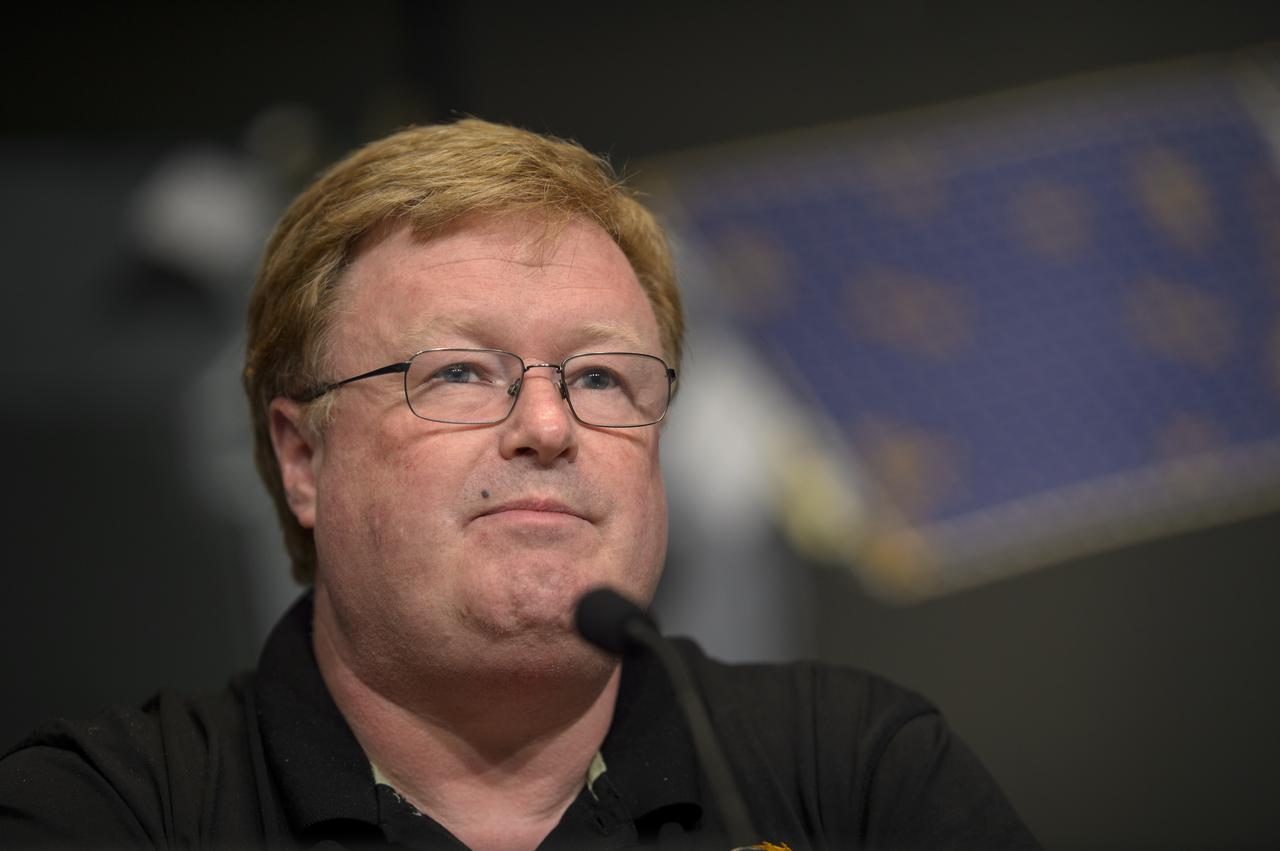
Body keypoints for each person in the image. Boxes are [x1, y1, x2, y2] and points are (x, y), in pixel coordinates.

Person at [0, 118, 1039, 850]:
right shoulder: (110, 813)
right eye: (458, 372)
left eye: (600, 377)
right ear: (302, 459)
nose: (548, 425)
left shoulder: (855, 773)